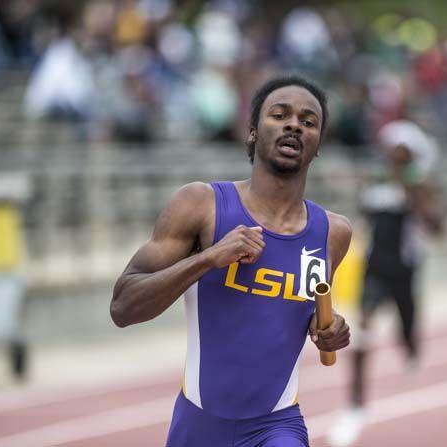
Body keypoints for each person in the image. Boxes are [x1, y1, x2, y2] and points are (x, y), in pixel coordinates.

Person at [110, 75, 352, 447]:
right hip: (198, 426)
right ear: (252, 132)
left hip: (276, 425)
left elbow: (299, 319)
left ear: (317, 145)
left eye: (308, 121)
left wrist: (330, 331)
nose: (293, 125)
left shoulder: (333, 232)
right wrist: (208, 259)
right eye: (279, 115)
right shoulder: (201, 205)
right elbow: (123, 307)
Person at [328, 120, 444, 447]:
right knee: (362, 326)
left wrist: (415, 197)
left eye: (401, 152)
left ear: (411, 156)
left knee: (406, 329)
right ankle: (356, 401)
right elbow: (360, 219)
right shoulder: (374, 183)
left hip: (405, 270)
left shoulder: (420, 186)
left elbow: (438, 227)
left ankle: (409, 344)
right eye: (390, 150)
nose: (393, 156)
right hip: (374, 268)